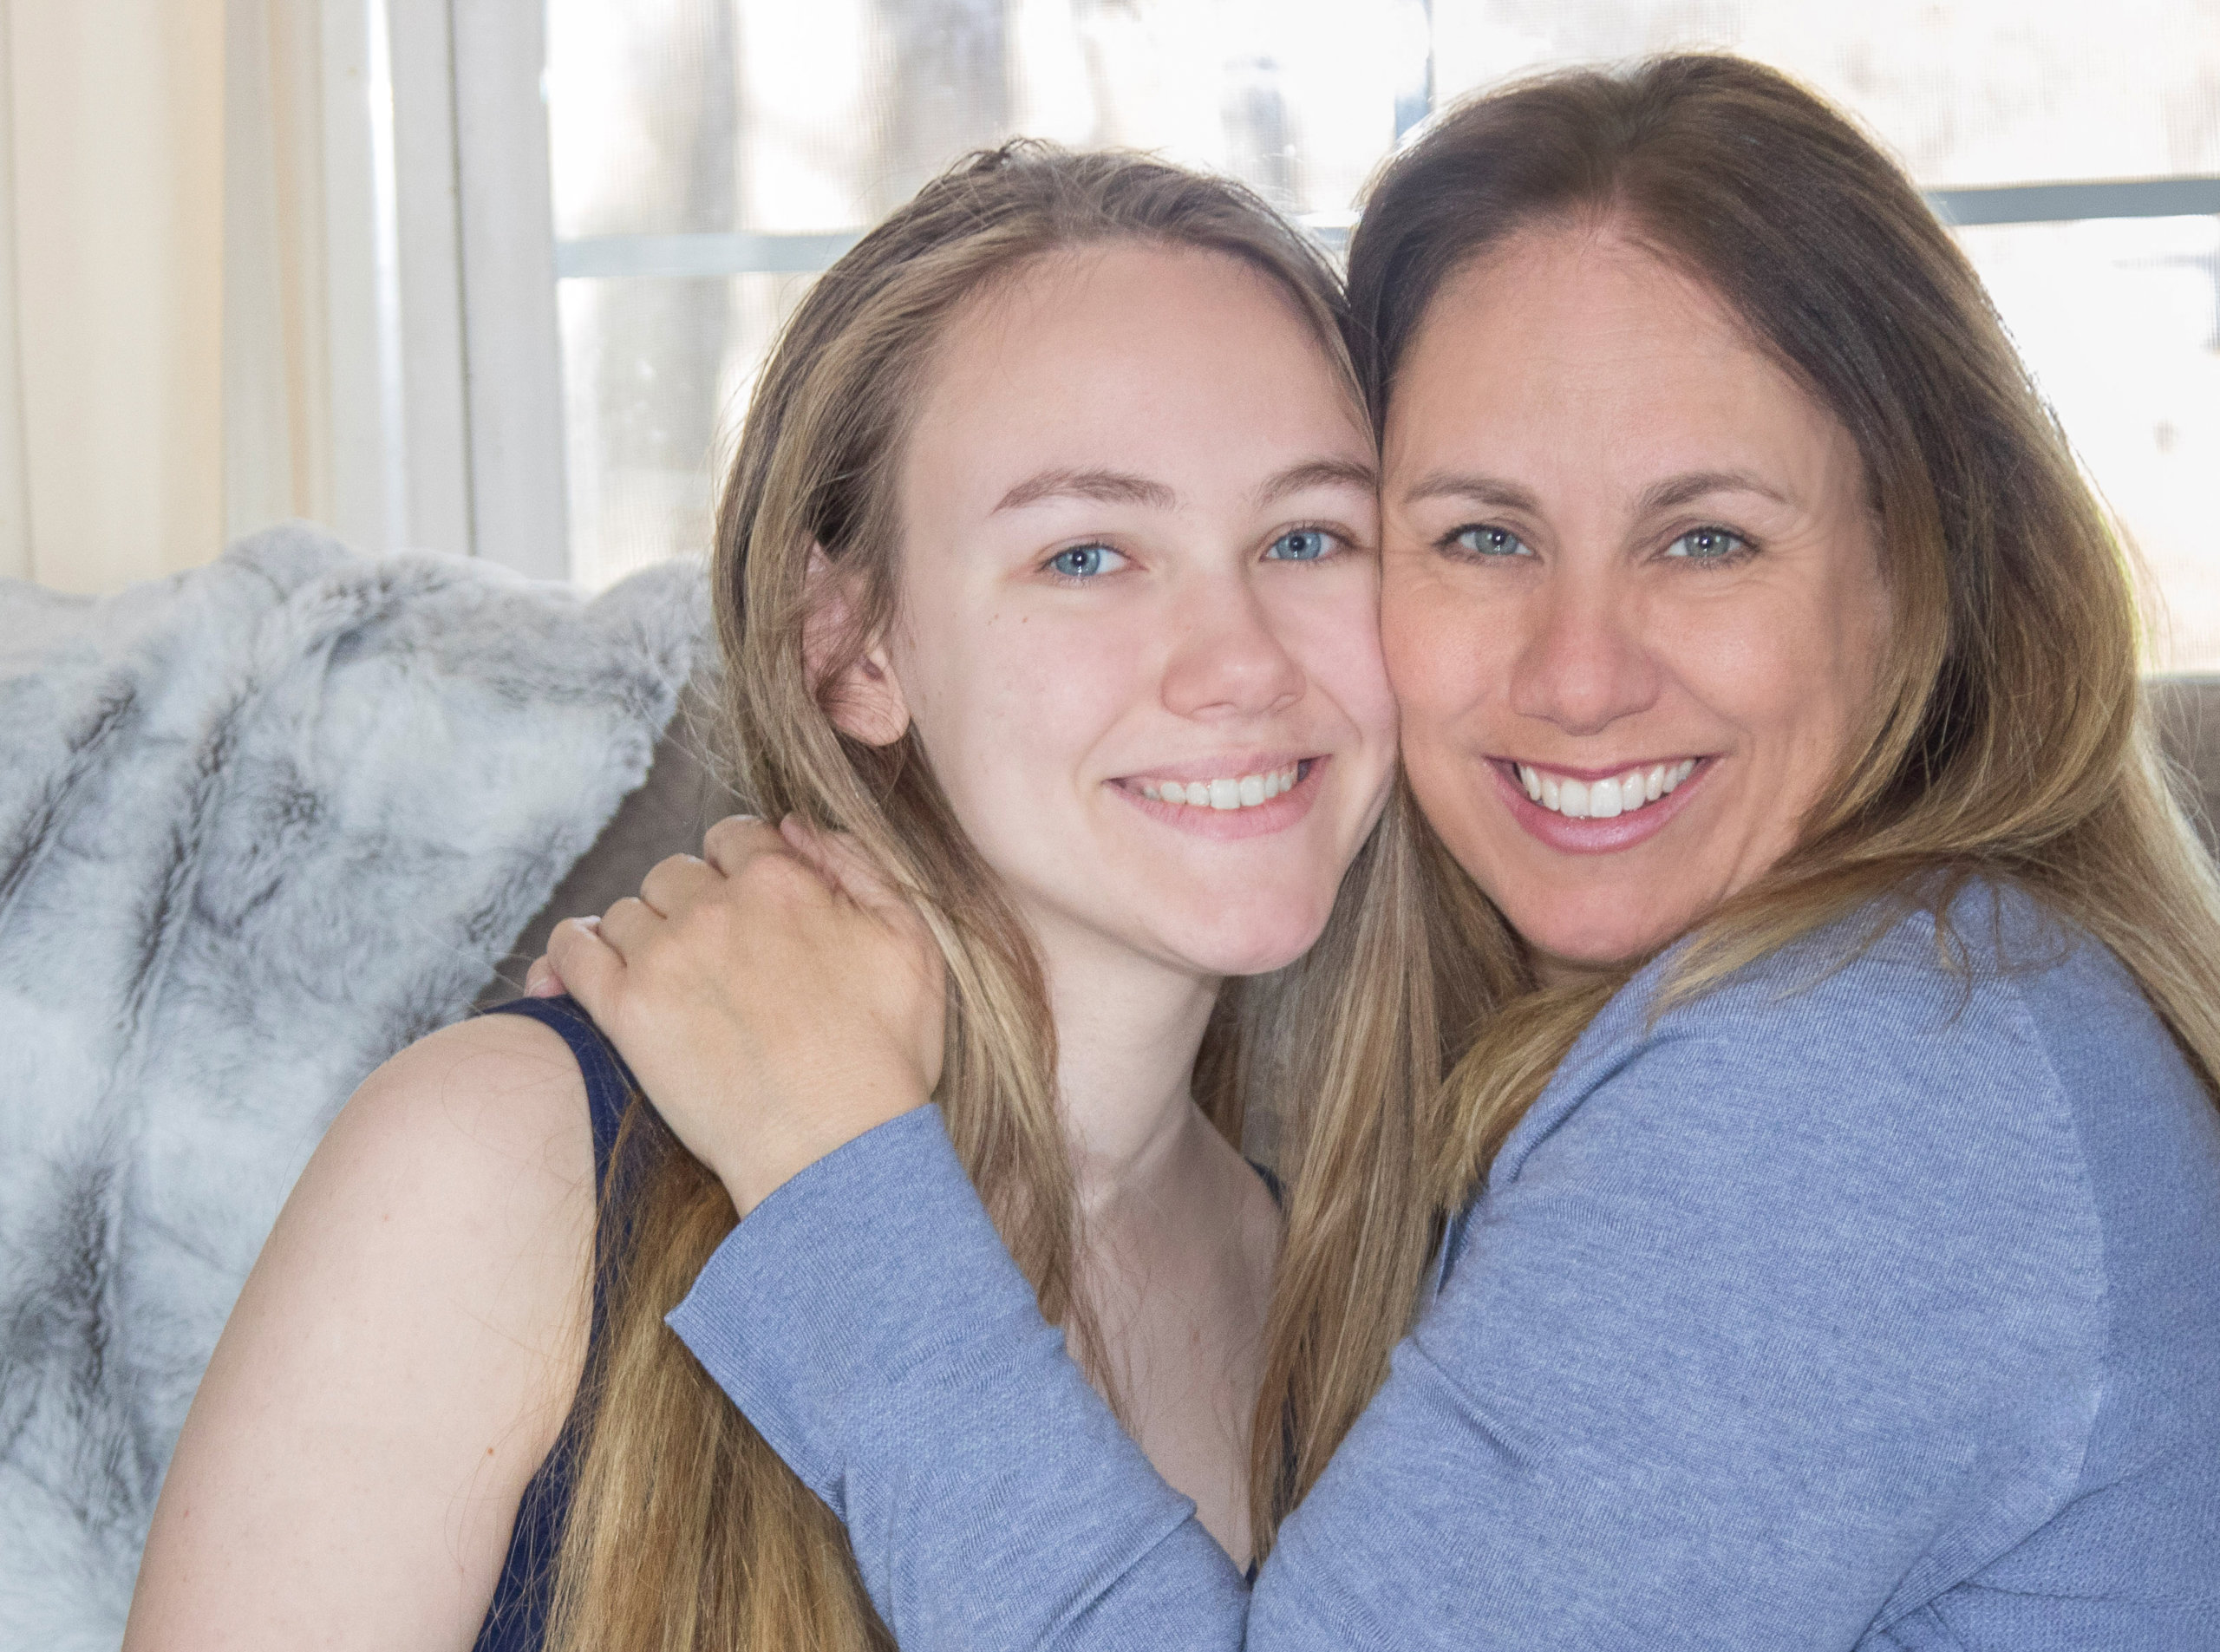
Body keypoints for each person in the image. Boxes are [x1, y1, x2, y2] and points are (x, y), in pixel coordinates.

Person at [536, 56, 2220, 1649]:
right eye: (1481, 533)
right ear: (848, 641)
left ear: (1922, 576)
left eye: (1706, 538)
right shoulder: (1891, 1014)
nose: (1578, 674)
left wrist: (837, 1165)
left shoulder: (1857, 1085)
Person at [121, 144, 1440, 1652]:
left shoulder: (1371, 1307)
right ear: (852, 649)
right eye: (1085, 554)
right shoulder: (496, 1166)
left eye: (1308, 537)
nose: (1243, 661)